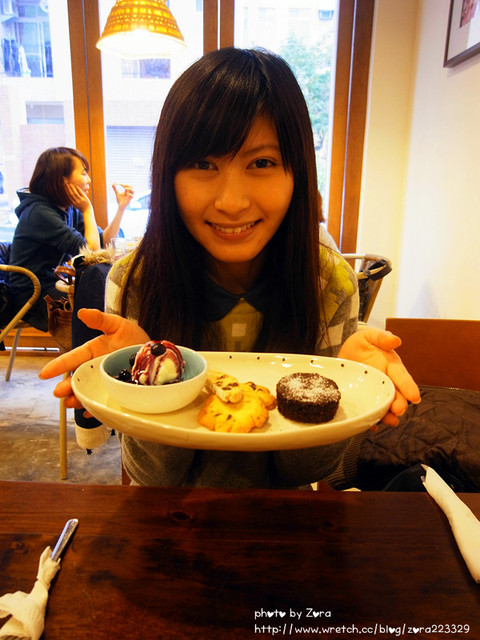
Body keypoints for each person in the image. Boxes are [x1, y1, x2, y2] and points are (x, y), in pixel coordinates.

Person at [40, 48, 420, 489]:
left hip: (287, 516)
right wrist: (147, 386)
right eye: (204, 164)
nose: (232, 202)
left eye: (262, 163)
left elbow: (305, 472)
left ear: (297, 173)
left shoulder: (328, 283)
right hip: (169, 514)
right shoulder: (136, 282)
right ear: (168, 174)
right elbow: (155, 476)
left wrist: (341, 390)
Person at [9, 147, 134, 332]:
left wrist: (121, 208)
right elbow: (92, 254)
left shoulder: (66, 208)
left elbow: (103, 243)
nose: (88, 180)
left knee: (109, 295)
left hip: (53, 285)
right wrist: (88, 210)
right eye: (83, 173)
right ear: (63, 179)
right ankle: (94, 349)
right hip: (32, 296)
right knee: (98, 300)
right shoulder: (39, 213)